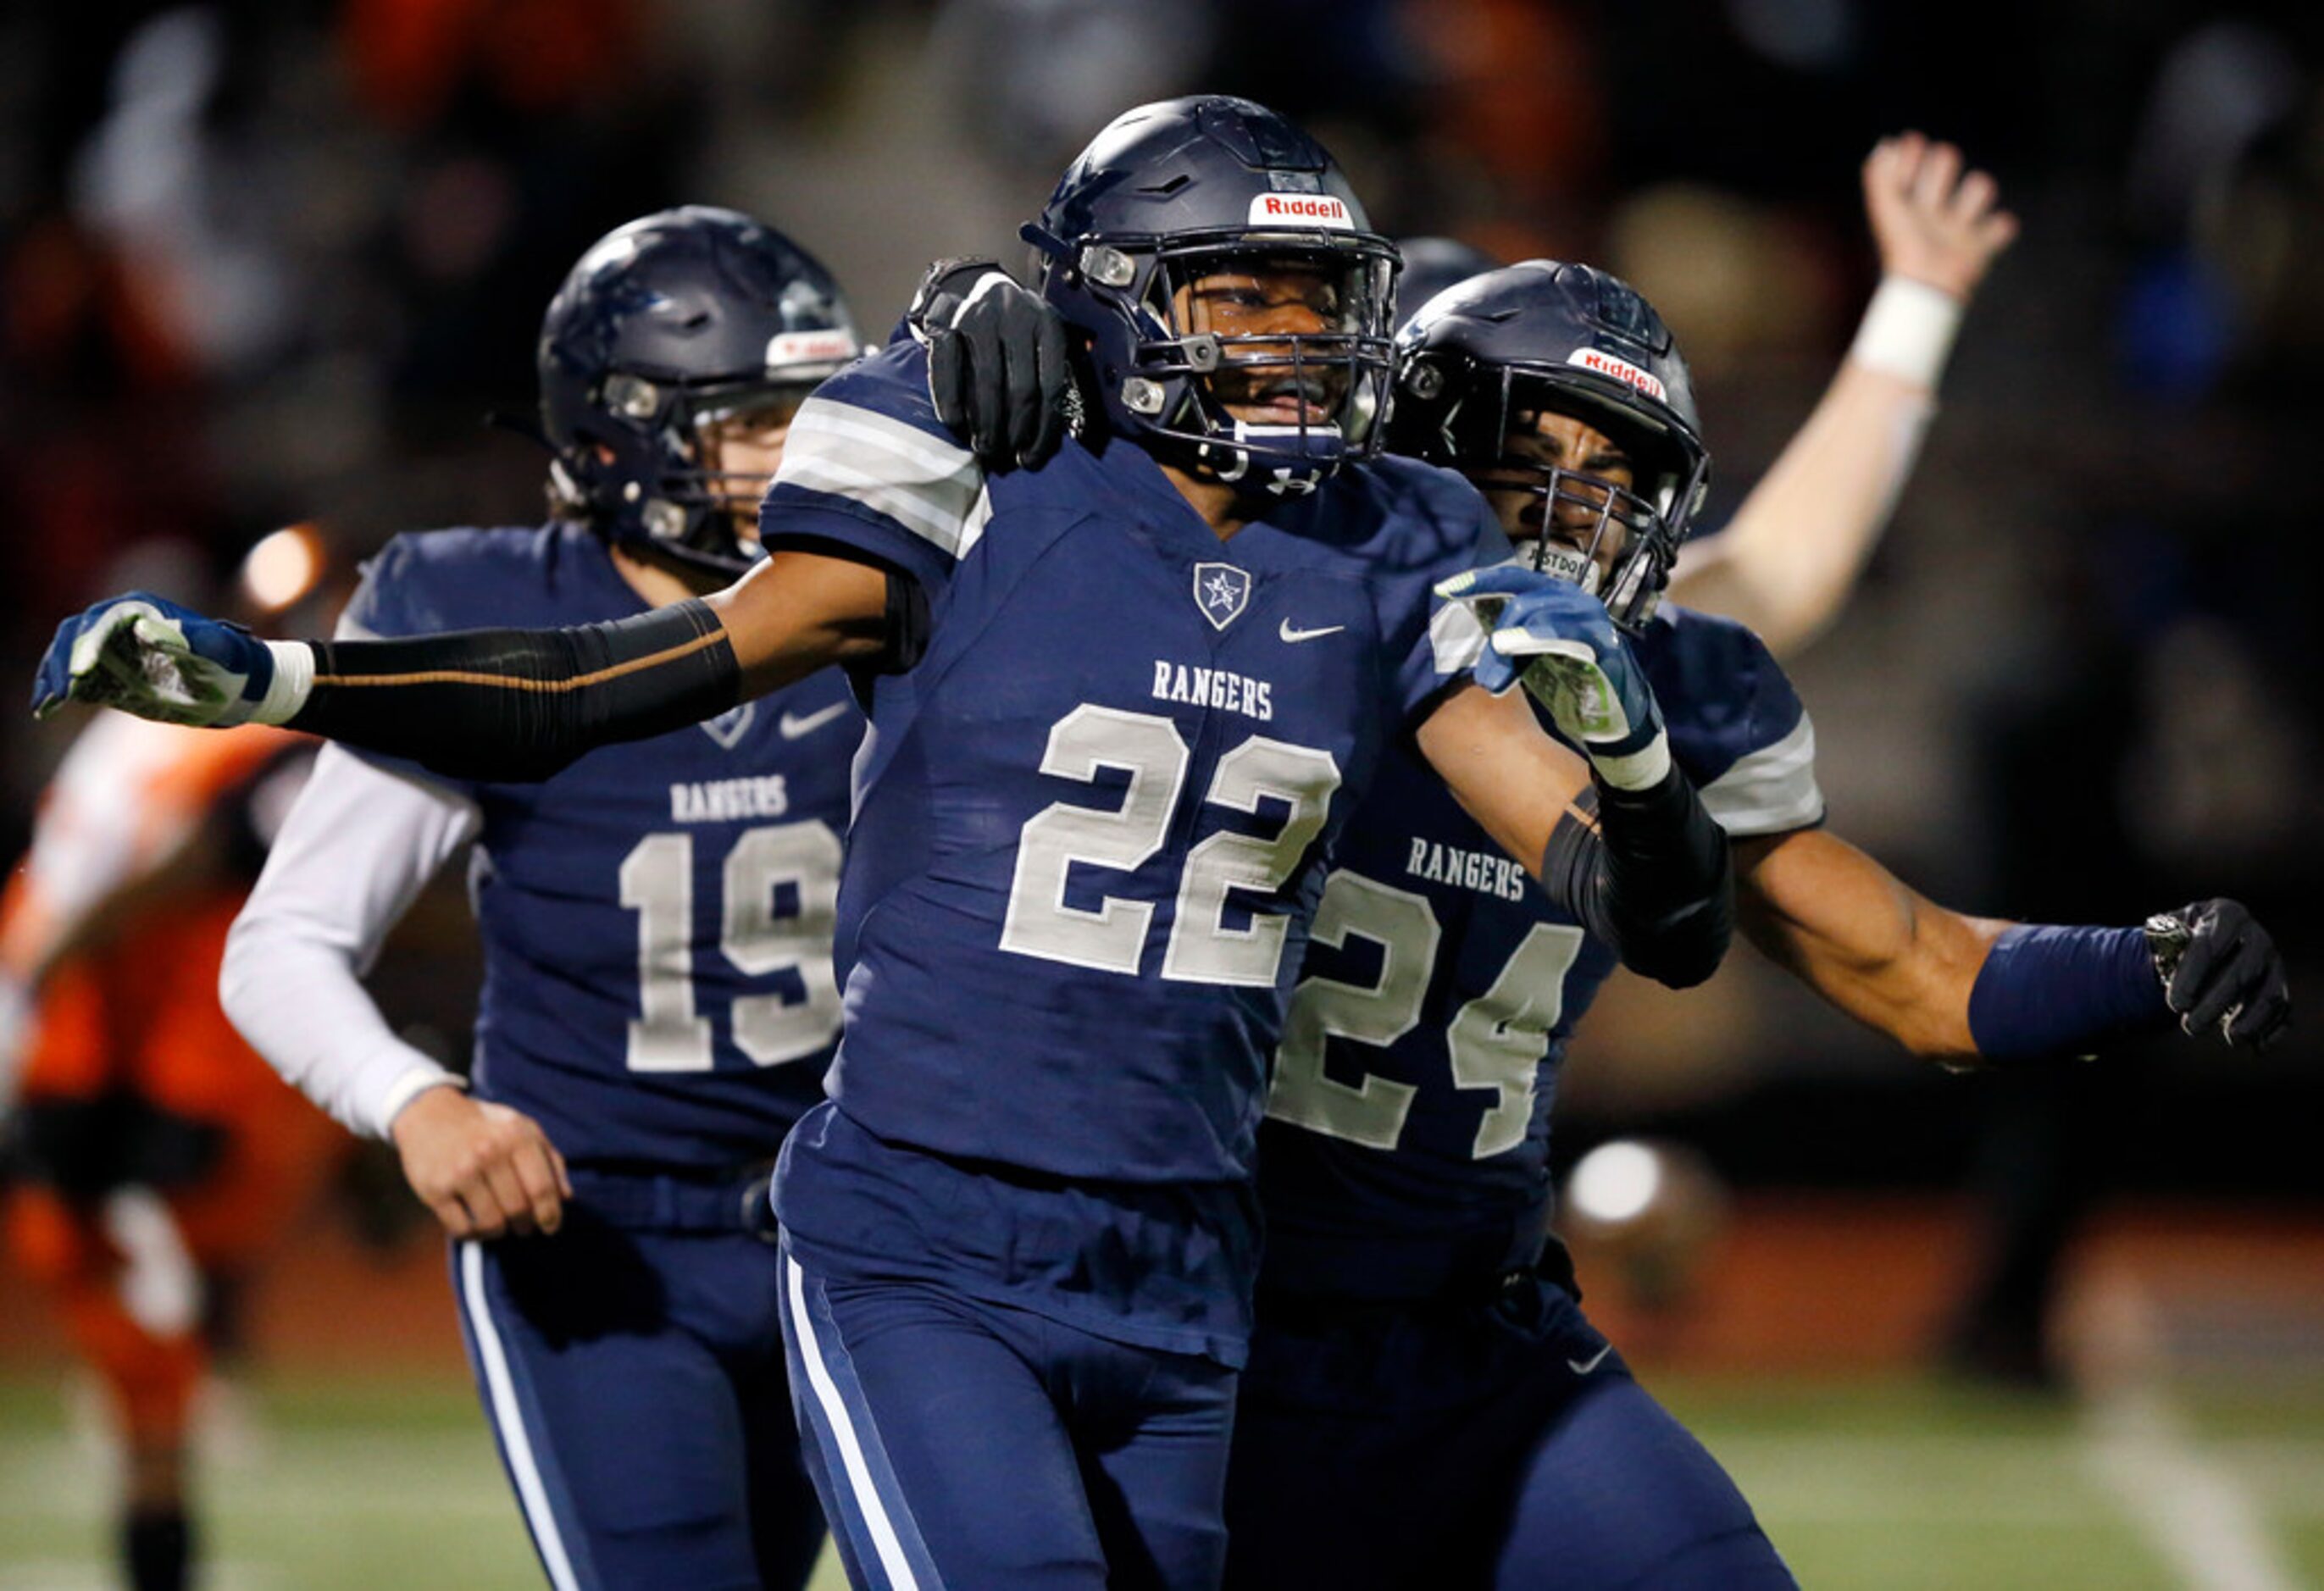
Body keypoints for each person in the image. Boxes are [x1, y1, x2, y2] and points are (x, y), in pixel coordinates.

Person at [34, 97, 1733, 1590]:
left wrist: (1645, 765)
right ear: (1127, 312)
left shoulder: (1390, 538)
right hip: (922, 1235)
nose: (1294, 345)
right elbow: (597, 687)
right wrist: (292, 679)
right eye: (1243, 298)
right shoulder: (974, 478)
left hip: (1189, 1251)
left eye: (1317, 304)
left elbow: (1642, 908)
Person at [1223, 259, 2291, 1590]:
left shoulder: (1663, 680)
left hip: (1467, 1328)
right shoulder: (1271, 618)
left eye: (1613, 472)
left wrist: (2146, 961)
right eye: (1529, 452)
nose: (1571, 506)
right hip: (1213, 1319)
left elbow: (1918, 968)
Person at [215, 206, 868, 1591]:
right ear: (623, 434)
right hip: (598, 1228)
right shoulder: (485, 612)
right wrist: (416, 1097)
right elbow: (286, 940)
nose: (793, 457)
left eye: (810, 413)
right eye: (750, 419)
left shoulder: (889, 605)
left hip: (853, 1230)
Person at [1399, 131, 2021, 655]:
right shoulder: (1317, 599)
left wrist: (1917, 304)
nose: (1563, 501)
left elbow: (1769, 578)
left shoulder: (1570, 637)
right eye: (1524, 450)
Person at [1, 706, 336, 1591]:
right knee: (141, 1350)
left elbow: (191, 858)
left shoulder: (166, 755)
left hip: (125, 1072)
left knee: (150, 1358)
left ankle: (184, 1374)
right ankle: (181, 1376)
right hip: (114, 1072)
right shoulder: (174, 755)